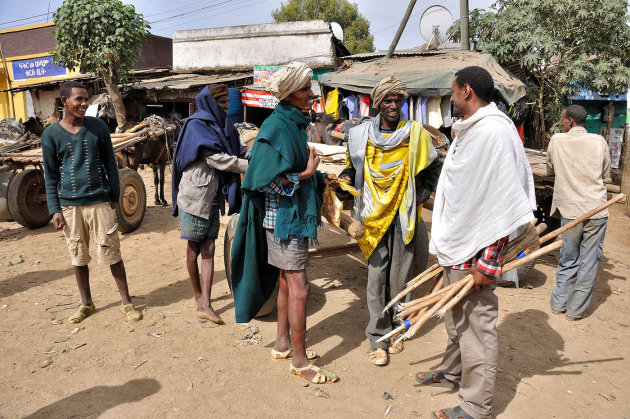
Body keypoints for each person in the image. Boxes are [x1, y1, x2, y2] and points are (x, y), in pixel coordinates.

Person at [420, 66, 536, 419]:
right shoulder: (470, 130)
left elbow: (502, 201)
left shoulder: (493, 133)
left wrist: (488, 261)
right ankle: (453, 372)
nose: (450, 99)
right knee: (457, 320)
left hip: (477, 254)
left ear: (466, 91)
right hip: (458, 245)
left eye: (452, 92)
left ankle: (475, 407)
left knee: (477, 328)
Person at [230, 62, 339, 384]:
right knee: (300, 287)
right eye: (306, 89)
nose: (312, 94)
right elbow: (260, 180)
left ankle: (282, 344)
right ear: (291, 94)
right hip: (285, 221)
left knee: (286, 281)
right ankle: (300, 361)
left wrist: (319, 178)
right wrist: (305, 175)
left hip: (287, 218)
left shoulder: (294, 124)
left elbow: (292, 167)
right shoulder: (276, 127)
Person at [339, 76, 441, 366]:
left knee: (401, 275)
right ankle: (377, 337)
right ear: (378, 103)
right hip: (371, 216)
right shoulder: (360, 134)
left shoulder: (416, 133)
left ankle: (397, 329)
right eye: (388, 100)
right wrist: (344, 180)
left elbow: (433, 164)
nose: (393, 105)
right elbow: (351, 166)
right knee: (376, 275)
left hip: (403, 214)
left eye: (398, 100)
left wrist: (421, 193)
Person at [42, 80, 142, 323]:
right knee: (78, 256)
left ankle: (126, 302)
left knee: (112, 252)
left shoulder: (98, 127)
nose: (85, 103)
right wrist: (55, 209)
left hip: (99, 202)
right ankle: (86, 303)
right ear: (65, 101)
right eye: (79, 99)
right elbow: (51, 175)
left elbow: (111, 165)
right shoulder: (51, 134)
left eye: (86, 99)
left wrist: (114, 199)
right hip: (69, 206)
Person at [172, 84, 248, 324]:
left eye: (227, 102)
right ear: (210, 102)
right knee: (194, 248)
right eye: (222, 102)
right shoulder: (196, 126)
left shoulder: (224, 125)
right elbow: (219, 160)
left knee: (210, 249)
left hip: (212, 197)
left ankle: (205, 301)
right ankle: (199, 297)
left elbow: (239, 148)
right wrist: (255, 167)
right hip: (194, 197)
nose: (226, 106)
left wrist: (259, 153)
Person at [547, 104, 610, 321]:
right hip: (597, 209)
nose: (561, 123)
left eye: (563, 120)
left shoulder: (556, 140)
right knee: (589, 261)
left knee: (568, 257)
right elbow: (605, 173)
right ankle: (575, 311)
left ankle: (558, 304)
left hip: (571, 210)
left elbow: (550, 169)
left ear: (571, 121)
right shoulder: (599, 142)